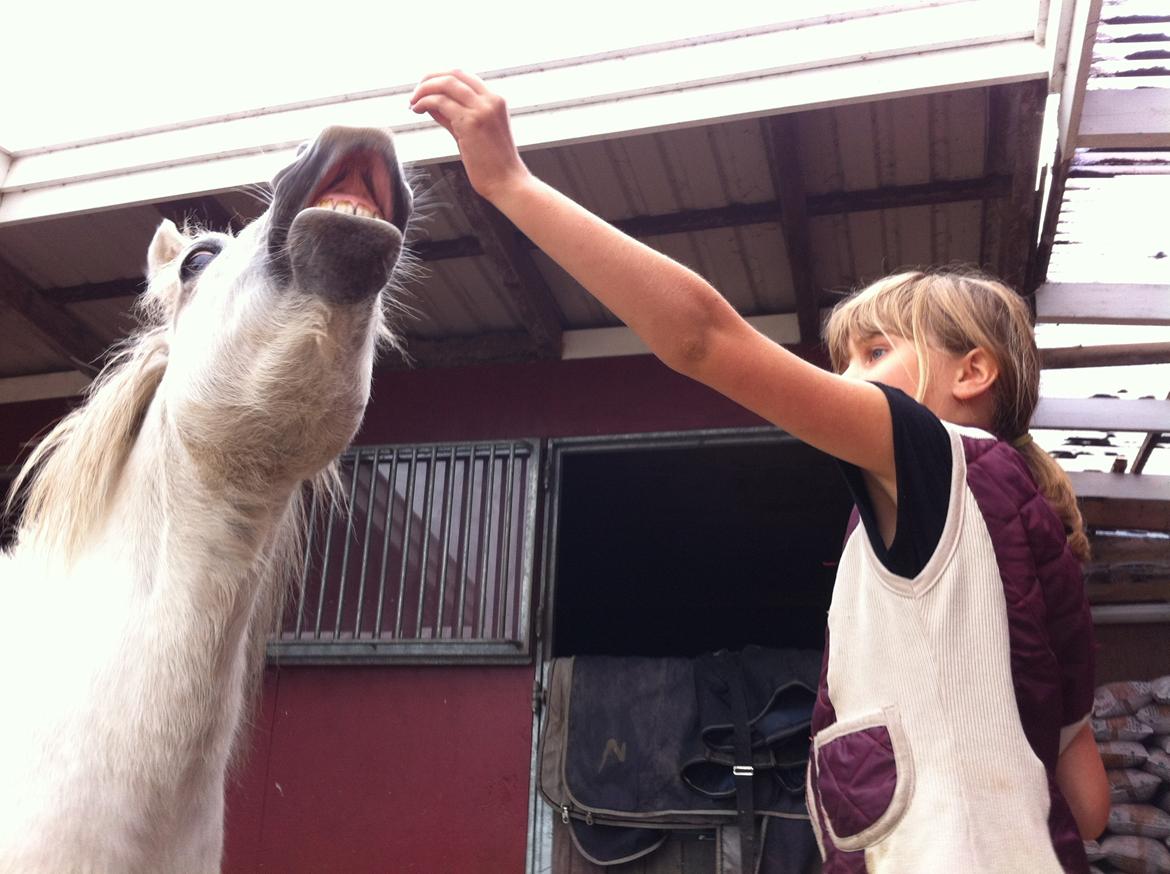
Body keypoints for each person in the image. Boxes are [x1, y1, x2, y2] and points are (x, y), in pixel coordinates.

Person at [410, 70, 1110, 872]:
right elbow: (1088, 802)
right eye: (844, 362)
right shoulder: (1039, 535)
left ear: (973, 371)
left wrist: (510, 183)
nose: (849, 379)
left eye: (876, 351)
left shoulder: (935, 458)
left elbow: (703, 338)